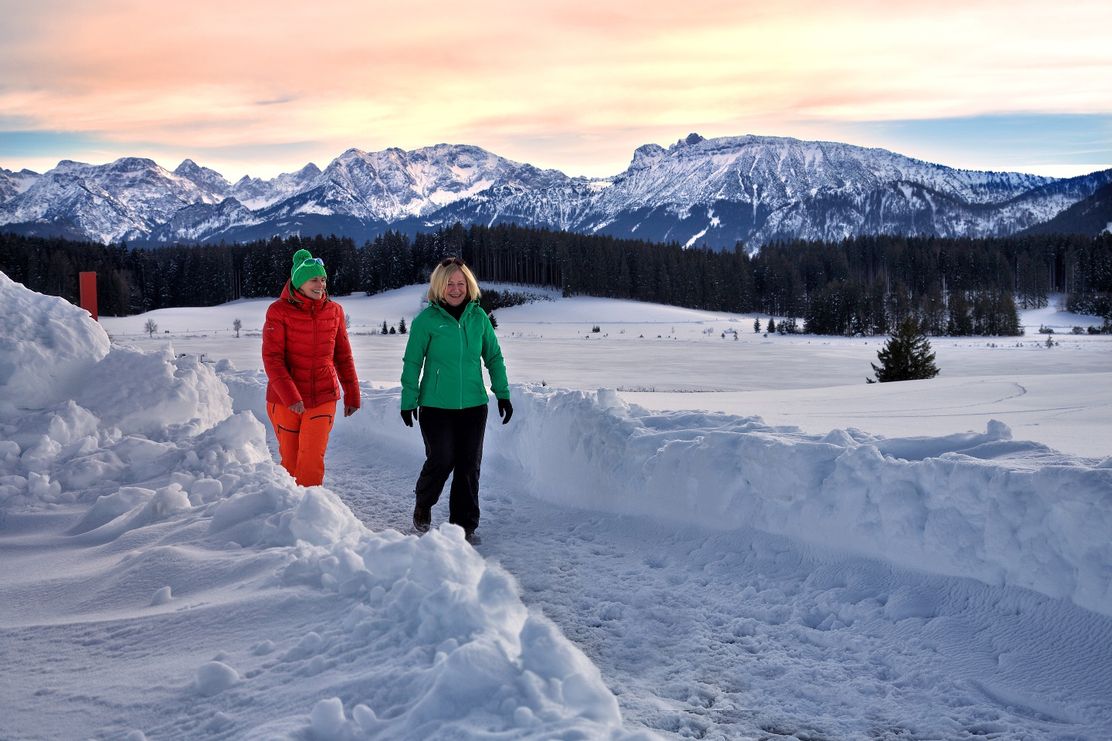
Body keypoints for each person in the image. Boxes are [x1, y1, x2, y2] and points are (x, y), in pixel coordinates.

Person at [400, 257, 512, 545]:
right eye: (449, 283)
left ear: (469, 286)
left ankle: (464, 527)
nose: (456, 288)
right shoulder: (426, 321)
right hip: (436, 406)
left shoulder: (478, 319)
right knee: (442, 458)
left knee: (468, 465)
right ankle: (423, 503)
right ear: (439, 286)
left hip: (474, 405)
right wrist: (408, 400)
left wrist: (503, 393)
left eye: (461, 283)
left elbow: (494, 357)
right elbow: (413, 362)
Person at [262, 248, 359, 486]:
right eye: (314, 279)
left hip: (323, 394)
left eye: (323, 279)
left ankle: (310, 514)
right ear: (299, 283)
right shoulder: (278, 311)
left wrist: (352, 393)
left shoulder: (334, 311)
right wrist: (290, 395)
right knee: (291, 461)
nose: (321, 285)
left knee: (311, 458)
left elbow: (343, 355)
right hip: (285, 400)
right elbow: (272, 358)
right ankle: (287, 510)